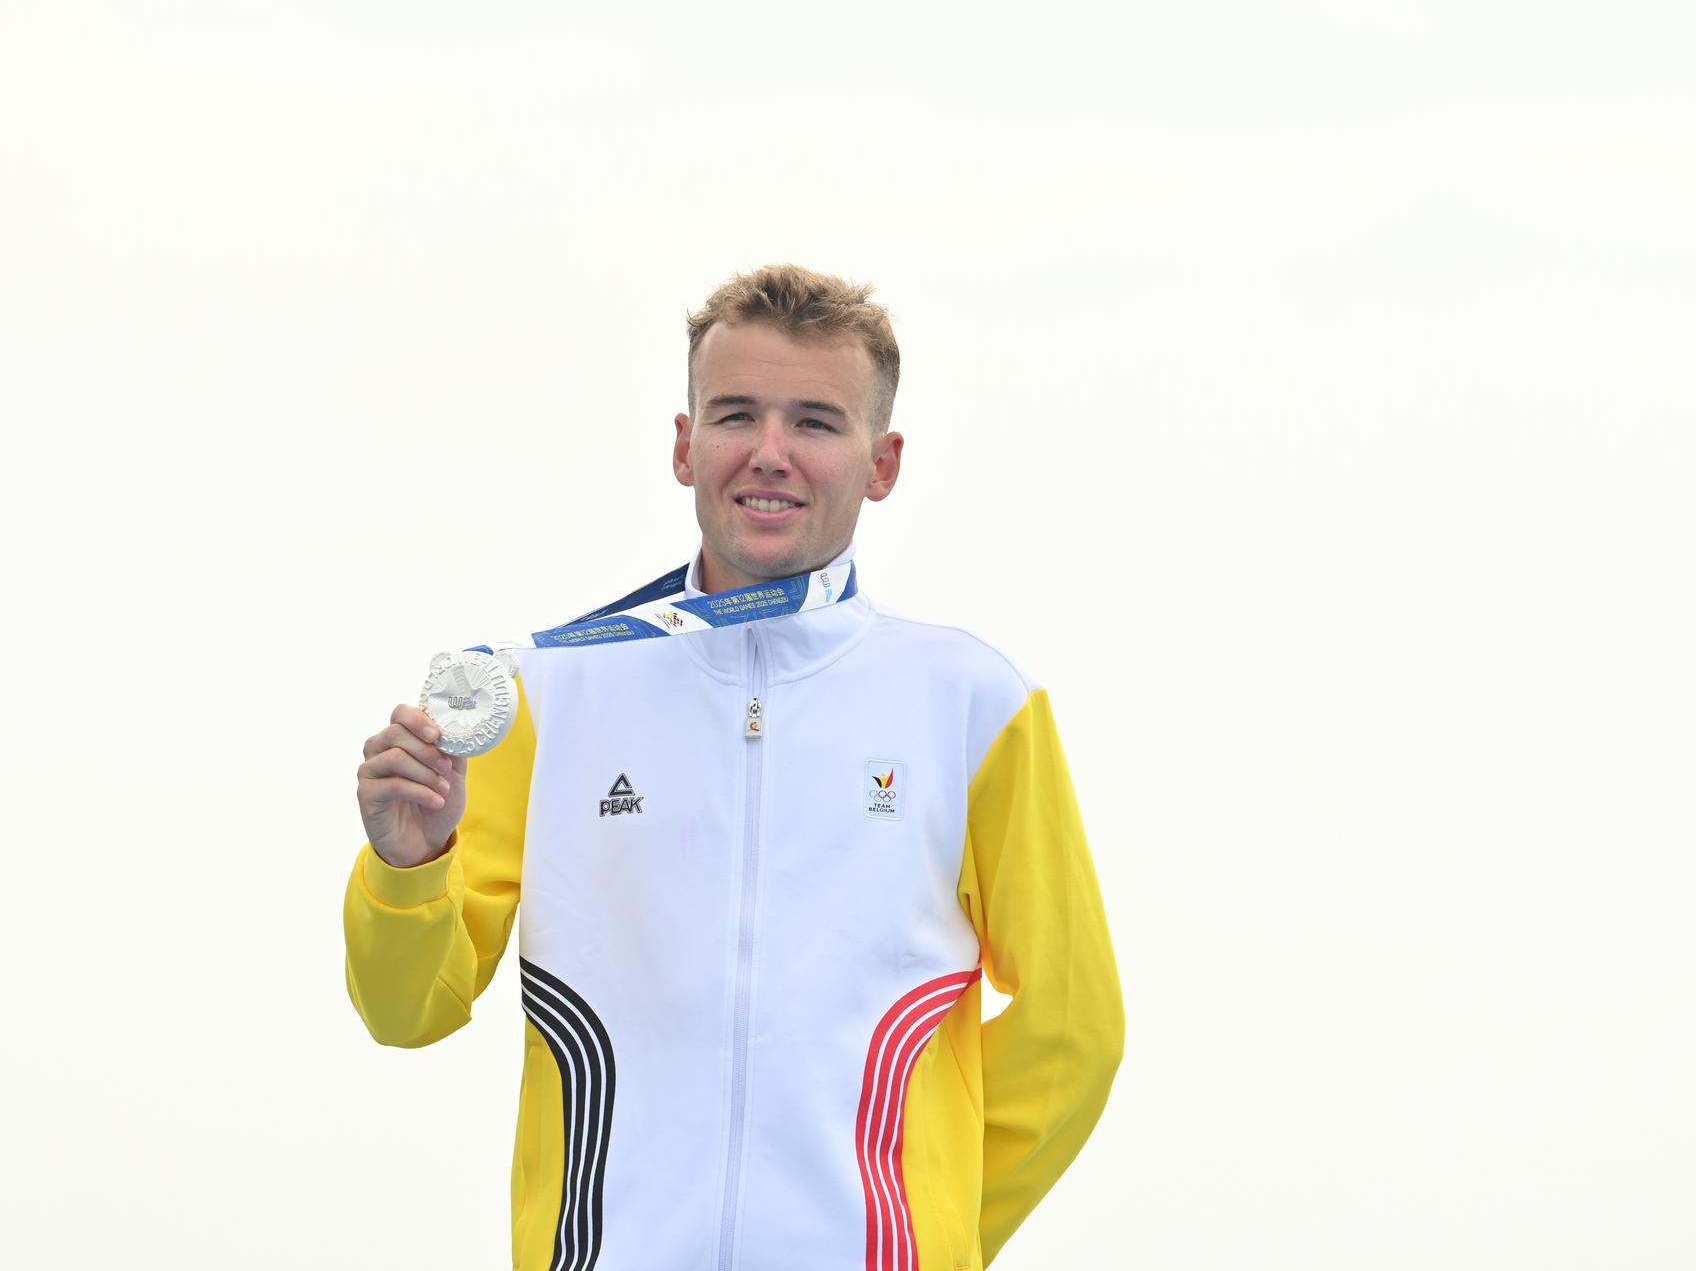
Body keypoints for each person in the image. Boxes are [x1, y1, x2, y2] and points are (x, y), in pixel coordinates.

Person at [344, 263, 1124, 1270]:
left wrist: (924, 1230)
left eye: (814, 421)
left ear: (882, 461)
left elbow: (1076, 1030)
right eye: (735, 415)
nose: (769, 453)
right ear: (684, 445)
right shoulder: (543, 696)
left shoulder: (972, 704)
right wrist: (409, 867)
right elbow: (407, 1011)